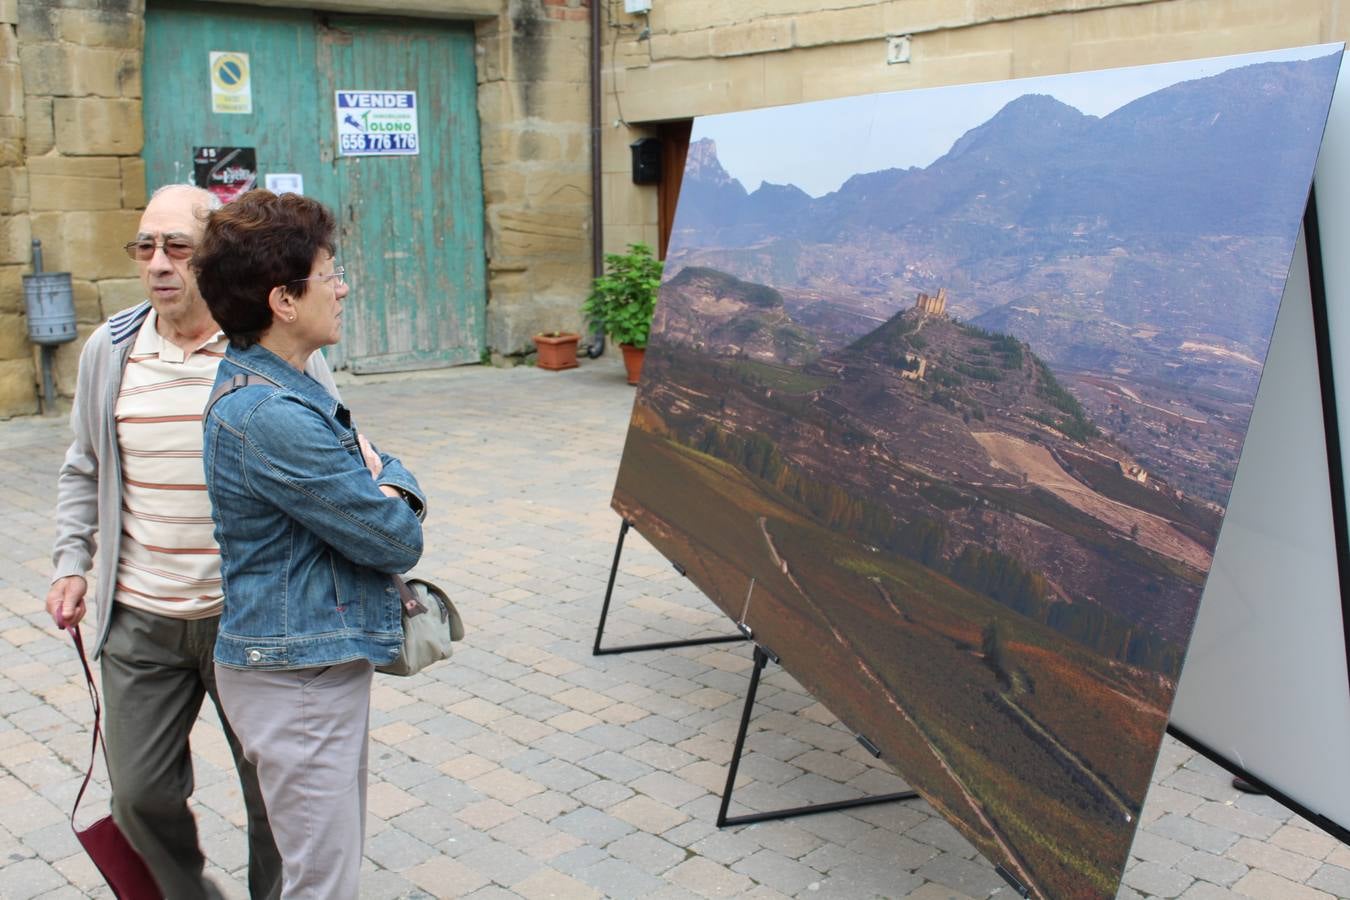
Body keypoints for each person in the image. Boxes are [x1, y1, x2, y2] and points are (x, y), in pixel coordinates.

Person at [47, 184, 338, 899]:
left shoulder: (270, 349)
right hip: (141, 617)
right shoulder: (110, 351)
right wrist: (72, 562)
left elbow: (334, 456)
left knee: (275, 798)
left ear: (211, 255)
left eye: (176, 246)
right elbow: (83, 464)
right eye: (144, 247)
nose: (158, 263)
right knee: (138, 795)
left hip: (250, 619)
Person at [192, 189, 425, 900]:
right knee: (321, 884)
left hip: (312, 666)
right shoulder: (270, 414)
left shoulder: (288, 386)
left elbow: (384, 468)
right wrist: (389, 491)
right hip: (296, 681)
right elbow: (392, 536)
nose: (343, 285)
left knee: (326, 871)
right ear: (283, 300)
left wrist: (387, 483)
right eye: (330, 272)